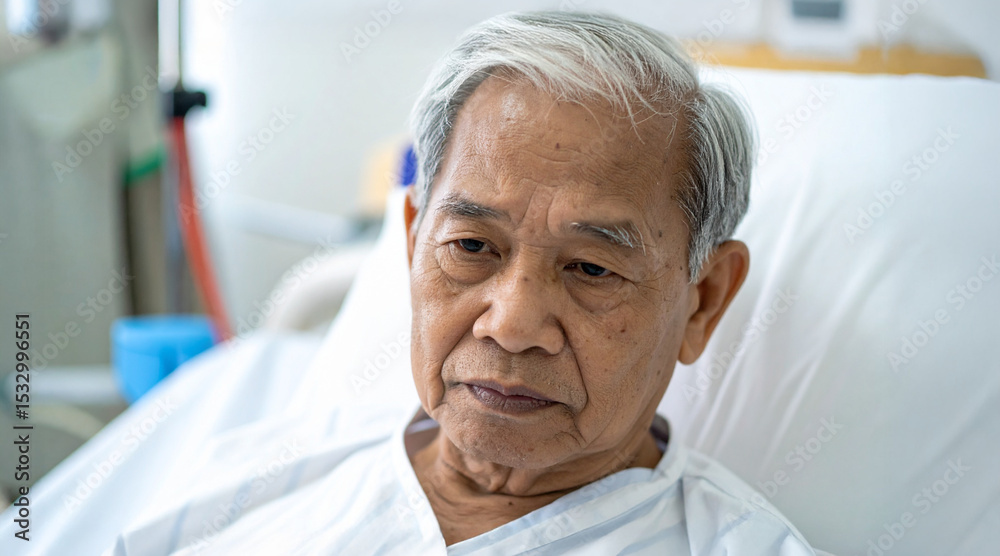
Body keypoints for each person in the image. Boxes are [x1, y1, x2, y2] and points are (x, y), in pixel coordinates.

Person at [107, 11, 819, 554]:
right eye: (473, 246)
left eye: (592, 268)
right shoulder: (256, 469)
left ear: (703, 300)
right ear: (415, 237)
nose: (509, 324)